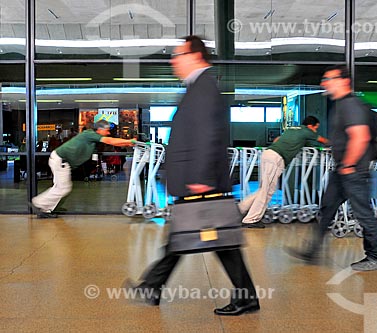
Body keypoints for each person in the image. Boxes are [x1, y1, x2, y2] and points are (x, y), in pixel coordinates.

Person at [123, 36, 259, 316]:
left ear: (195, 55)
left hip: (200, 181)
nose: (174, 61)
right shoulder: (199, 87)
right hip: (198, 180)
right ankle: (245, 297)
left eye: (178, 55)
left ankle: (151, 287)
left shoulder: (204, 88)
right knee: (211, 239)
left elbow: (208, 135)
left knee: (194, 238)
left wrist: (201, 176)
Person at [288, 65, 377, 271]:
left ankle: (376, 257)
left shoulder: (351, 105)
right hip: (342, 170)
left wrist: (349, 164)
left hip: (353, 171)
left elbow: (360, 137)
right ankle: (312, 250)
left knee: (363, 213)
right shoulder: (341, 105)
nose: (324, 83)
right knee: (327, 208)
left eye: (329, 79)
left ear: (344, 81)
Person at [30, 120, 135, 218]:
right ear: (100, 129)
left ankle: (46, 209)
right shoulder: (89, 134)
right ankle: (38, 203)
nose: (108, 133)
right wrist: (129, 141)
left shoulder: (93, 140)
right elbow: (110, 141)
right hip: (61, 160)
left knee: (60, 187)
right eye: (107, 131)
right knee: (63, 188)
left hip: (62, 161)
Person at [239, 116, 329, 228]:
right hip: (276, 158)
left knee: (265, 189)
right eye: (316, 127)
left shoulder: (292, 129)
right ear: (311, 126)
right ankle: (251, 219)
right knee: (266, 191)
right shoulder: (307, 131)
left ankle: (241, 209)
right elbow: (323, 140)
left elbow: (277, 139)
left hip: (269, 154)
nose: (316, 130)